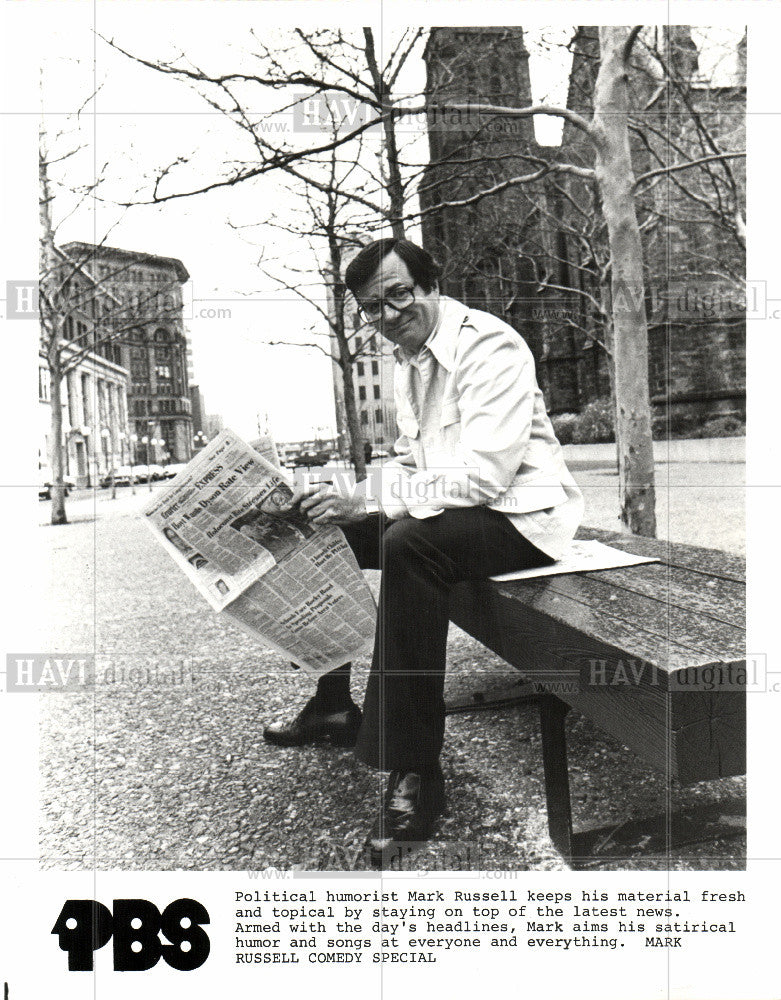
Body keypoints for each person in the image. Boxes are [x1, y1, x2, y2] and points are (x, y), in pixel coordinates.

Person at [263, 237, 584, 865]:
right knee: (325, 530)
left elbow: (488, 475)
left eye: (398, 295)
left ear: (430, 284)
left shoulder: (489, 344)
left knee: (408, 546)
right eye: (371, 308)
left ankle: (416, 773)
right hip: (462, 513)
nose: (386, 315)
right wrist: (350, 496)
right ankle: (332, 704)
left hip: (524, 518)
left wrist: (378, 501)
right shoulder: (406, 360)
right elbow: (416, 462)